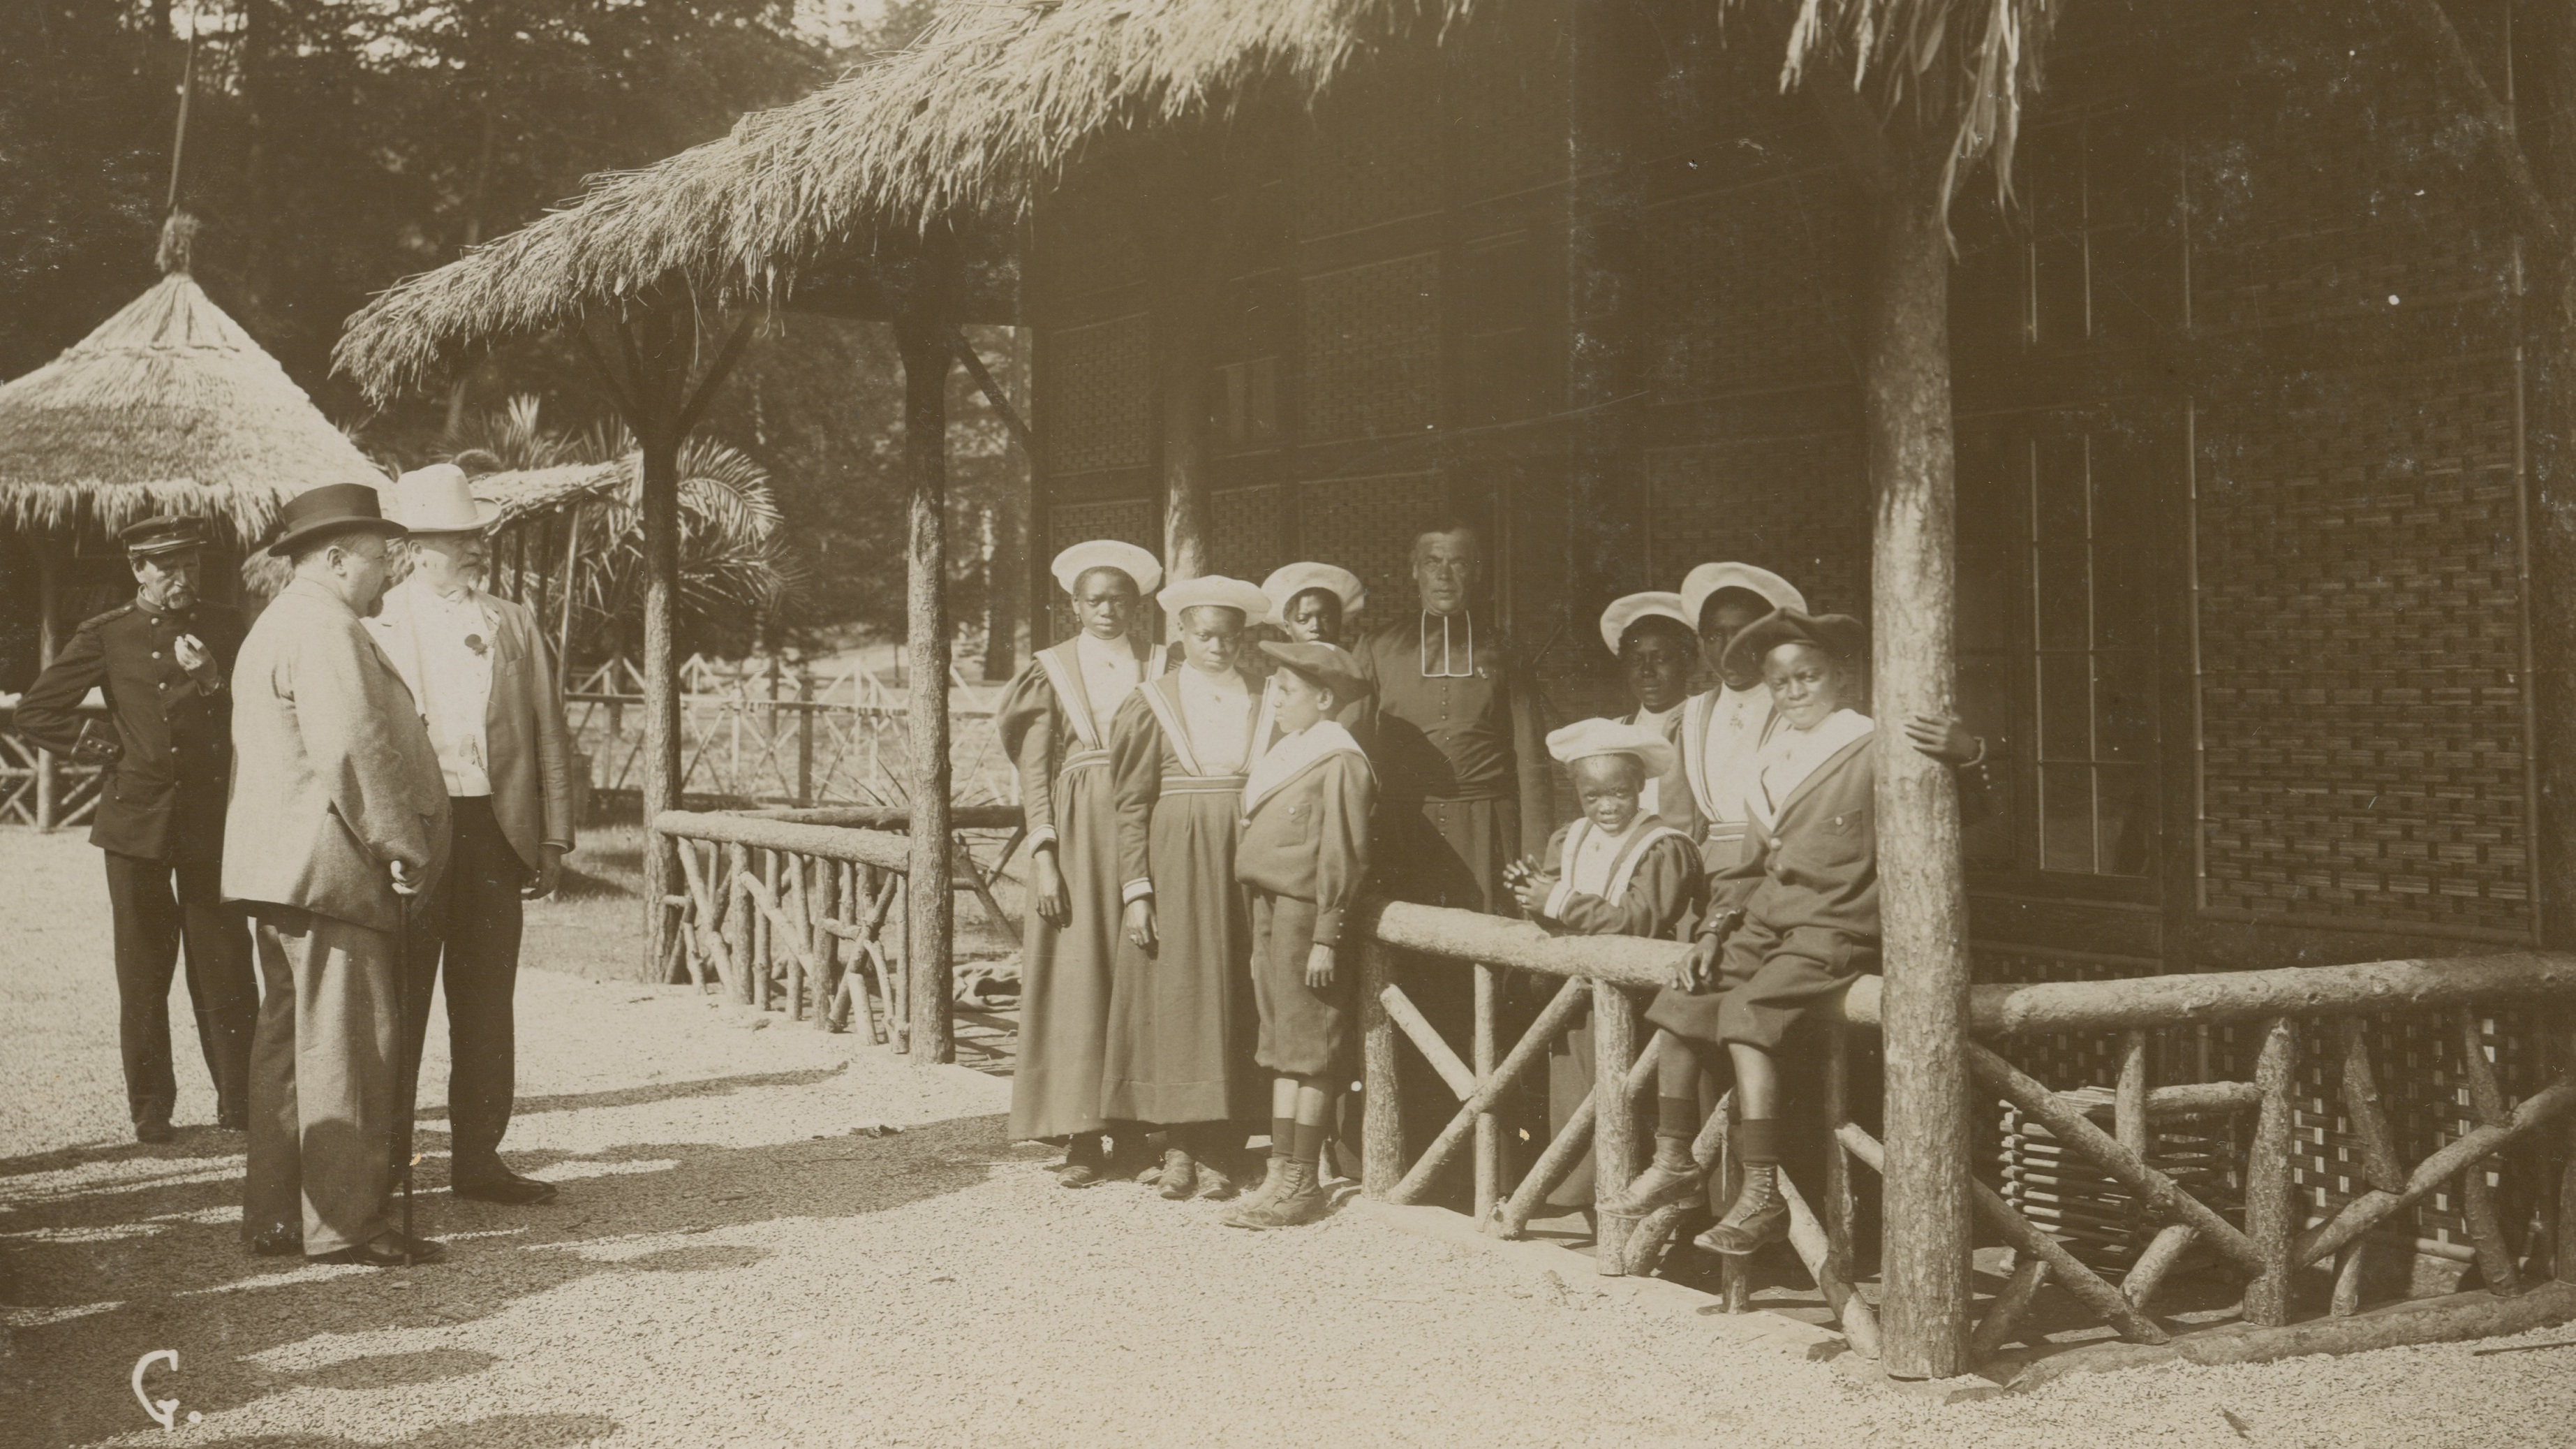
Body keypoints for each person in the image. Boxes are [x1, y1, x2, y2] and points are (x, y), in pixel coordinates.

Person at [1610, 608, 1987, 1256]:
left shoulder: (1873, 743)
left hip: (1836, 924)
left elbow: (1962, 812)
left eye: (1808, 677)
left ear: (1838, 675)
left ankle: (1761, 1196)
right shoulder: (1771, 758)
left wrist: (1971, 754)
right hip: (1765, 921)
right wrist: (1710, 935)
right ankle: (1674, 1159)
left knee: (1748, 1015)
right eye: (1781, 683)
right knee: (1682, 1004)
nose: (1795, 693)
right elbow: (1747, 867)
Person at [225, 483, 451, 1266]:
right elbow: (353, 749)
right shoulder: (324, 628)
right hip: (328, 872)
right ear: (331, 556)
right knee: (349, 1045)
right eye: (376, 560)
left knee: (290, 1049)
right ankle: (347, 1224)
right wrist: (402, 843)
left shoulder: (280, 624)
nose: (386, 574)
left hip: (283, 871)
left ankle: (281, 1215)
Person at [367, 465, 576, 1207]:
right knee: (400, 998)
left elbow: (550, 733)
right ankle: (383, 1162)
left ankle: (479, 1159)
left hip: (493, 829)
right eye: (459, 540)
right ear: (418, 547)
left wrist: (552, 838)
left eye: (476, 537)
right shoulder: (376, 622)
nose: (474, 550)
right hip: (417, 830)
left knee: (486, 1001)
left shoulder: (512, 622)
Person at [15, 515, 256, 1142]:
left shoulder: (227, 624)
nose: (183, 579)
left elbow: (255, 709)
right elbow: (39, 710)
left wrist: (210, 678)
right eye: (169, 566)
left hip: (212, 823)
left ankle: (241, 1102)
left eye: (192, 566)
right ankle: (151, 1109)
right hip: (136, 822)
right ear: (138, 569)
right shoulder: (108, 634)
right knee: (144, 970)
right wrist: (109, 748)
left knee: (226, 963)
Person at [995, 540, 1169, 1187]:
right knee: (1079, 975)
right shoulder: (1052, 669)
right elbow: (1035, 770)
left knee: (1137, 966)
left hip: (1146, 821)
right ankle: (1079, 1135)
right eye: (1095, 599)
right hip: (1074, 830)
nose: (1107, 609)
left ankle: (1133, 1130)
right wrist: (1044, 856)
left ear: (1138, 604)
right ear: (1074, 605)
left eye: (1119, 599)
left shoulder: (1160, 661)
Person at [1104, 574, 1272, 1200]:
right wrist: (1137, 886)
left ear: (1242, 637)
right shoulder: (1153, 700)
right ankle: (1177, 1145)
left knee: (1236, 992)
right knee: (1177, 994)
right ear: (1181, 634)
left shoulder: (1268, 696)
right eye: (1204, 636)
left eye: (1229, 637)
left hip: (1246, 856)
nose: (1217, 648)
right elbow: (1129, 802)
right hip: (1175, 858)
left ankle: (1224, 1148)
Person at [1224, 642, 1375, 1230]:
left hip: (1304, 914)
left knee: (1311, 1049)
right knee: (1283, 1047)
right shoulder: (1293, 750)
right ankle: (1281, 1170)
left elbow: (1345, 850)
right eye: (1275, 689)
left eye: (1287, 691)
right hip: (1270, 910)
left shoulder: (1339, 759)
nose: (1276, 700)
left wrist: (1327, 935)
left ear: (1325, 699)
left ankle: (1303, 1181)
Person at [1352, 520, 1545, 914]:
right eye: (1432, 562)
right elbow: (1352, 749)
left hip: (1487, 823)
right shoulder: (1378, 646)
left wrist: (1536, 850)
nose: (1444, 575)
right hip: (1403, 825)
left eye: (1458, 563)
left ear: (1476, 571)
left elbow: (1531, 757)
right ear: (1414, 569)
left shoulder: (1505, 650)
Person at [1673, 563, 1808, 873]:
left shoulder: (1798, 708)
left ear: (1770, 637)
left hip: (1781, 863)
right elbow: (1682, 816)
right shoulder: (1690, 716)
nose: (1727, 648)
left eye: (1743, 634)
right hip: (1711, 866)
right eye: (1714, 635)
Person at [1596, 591, 1698, 837]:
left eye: (1662, 659)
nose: (1647, 671)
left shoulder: (1704, 725)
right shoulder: (1616, 732)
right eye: (1635, 661)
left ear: (1688, 663)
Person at [1252, 561, 1367, 751]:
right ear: (1287, 627)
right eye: (1303, 620)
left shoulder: (1356, 680)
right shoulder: (1272, 689)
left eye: (1327, 619)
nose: (1316, 627)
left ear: (1339, 623)